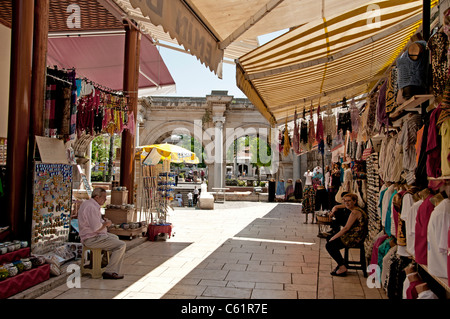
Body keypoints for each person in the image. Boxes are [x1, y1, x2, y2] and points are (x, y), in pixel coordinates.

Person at [77, 188, 126, 280]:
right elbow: (96, 228)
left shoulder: (89, 204)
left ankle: (103, 262)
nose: (105, 200)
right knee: (121, 245)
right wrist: (106, 224)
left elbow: (94, 223)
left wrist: (103, 222)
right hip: (92, 238)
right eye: (104, 197)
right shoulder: (91, 207)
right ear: (97, 197)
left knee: (115, 238)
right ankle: (110, 271)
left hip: (94, 236)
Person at [325, 193, 368, 277]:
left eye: (349, 201)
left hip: (354, 238)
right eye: (345, 201)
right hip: (356, 236)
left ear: (354, 201)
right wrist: (336, 207)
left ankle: (342, 266)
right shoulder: (357, 210)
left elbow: (346, 228)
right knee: (330, 239)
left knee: (330, 245)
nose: (346, 203)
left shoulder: (355, 213)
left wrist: (334, 237)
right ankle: (341, 263)